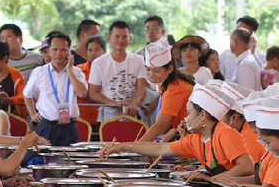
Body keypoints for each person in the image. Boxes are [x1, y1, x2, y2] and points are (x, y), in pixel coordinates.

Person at [100, 84, 254, 178]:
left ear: (202, 115)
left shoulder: (225, 133)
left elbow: (247, 167)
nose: (186, 118)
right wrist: (124, 147)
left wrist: (214, 179)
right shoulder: (197, 138)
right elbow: (161, 148)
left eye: (189, 113)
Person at [24, 32, 88, 145]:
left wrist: (69, 69)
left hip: (69, 127)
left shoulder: (76, 72)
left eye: (63, 50)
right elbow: (27, 94)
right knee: (44, 160)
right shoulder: (40, 72)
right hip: (47, 126)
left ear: (69, 51)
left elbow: (82, 93)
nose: (59, 53)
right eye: (55, 49)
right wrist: (33, 113)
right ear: (49, 51)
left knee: (68, 160)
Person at [88, 21, 148, 123]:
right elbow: (93, 93)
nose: (121, 40)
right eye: (117, 36)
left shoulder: (138, 60)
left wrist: (135, 103)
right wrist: (114, 104)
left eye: (125, 36)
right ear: (109, 38)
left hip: (132, 116)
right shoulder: (99, 63)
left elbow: (142, 87)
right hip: (107, 118)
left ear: (130, 38)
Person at [139, 38, 194, 143]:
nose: (151, 75)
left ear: (169, 69)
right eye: (148, 69)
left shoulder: (176, 88)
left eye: (156, 71)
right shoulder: (164, 83)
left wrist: (135, 147)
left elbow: (161, 125)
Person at [217, 81, 265, 164]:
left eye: (220, 116)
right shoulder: (241, 131)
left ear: (234, 117)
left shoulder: (248, 135)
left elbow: (250, 171)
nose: (217, 120)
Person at [77, 35, 107, 126]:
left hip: (102, 119)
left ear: (104, 51)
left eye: (97, 49)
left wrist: (87, 94)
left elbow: (107, 94)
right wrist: (96, 95)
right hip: (81, 119)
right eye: (90, 50)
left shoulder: (109, 70)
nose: (93, 53)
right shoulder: (79, 69)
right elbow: (78, 92)